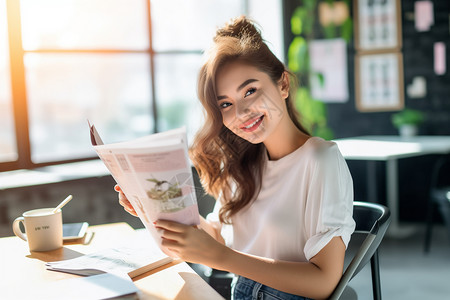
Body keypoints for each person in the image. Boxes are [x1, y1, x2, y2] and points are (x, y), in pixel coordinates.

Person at [116, 16, 355, 300]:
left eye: (250, 91)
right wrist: (155, 209)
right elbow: (216, 238)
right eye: (226, 104)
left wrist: (222, 257)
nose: (240, 113)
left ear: (283, 85)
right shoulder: (241, 164)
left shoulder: (320, 160)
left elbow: (325, 282)